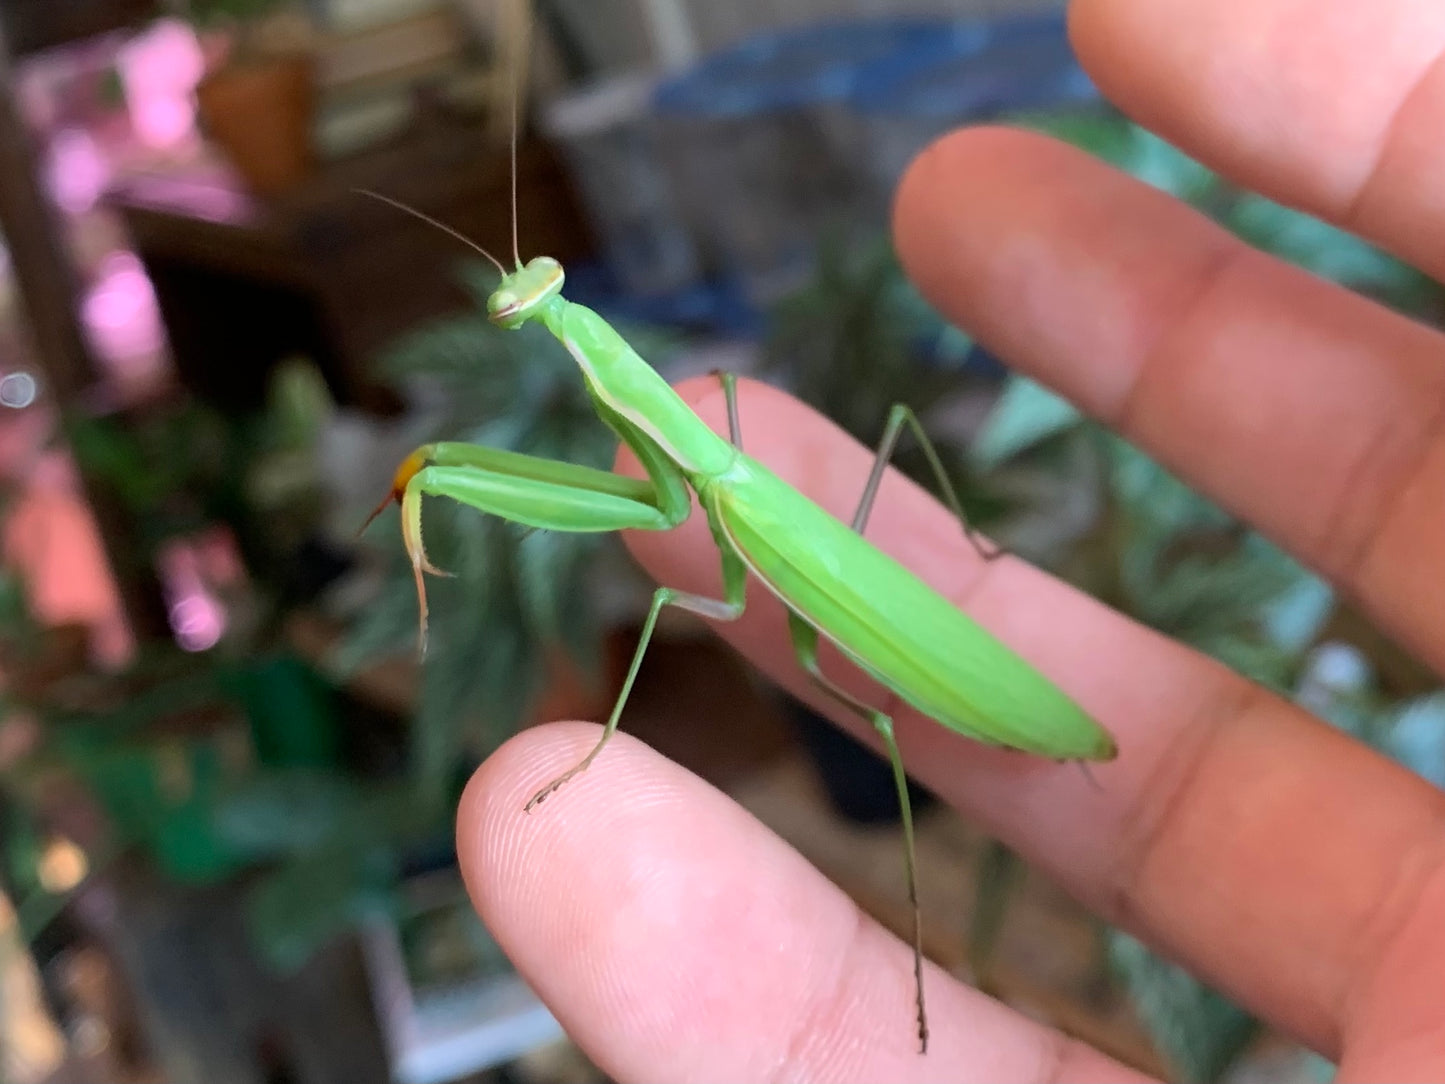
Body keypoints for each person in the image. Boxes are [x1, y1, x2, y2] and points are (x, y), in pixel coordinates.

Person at [456, 0, 1445, 1078]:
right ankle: (973, 586)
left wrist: (605, 742)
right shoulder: (701, 438)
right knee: (806, 500)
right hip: (801, 542)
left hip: (914, 640)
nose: (527, 298)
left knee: (825, 689)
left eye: (532, 293)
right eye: (528, 299)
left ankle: (918, 960)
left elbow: (666, 515)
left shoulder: (695, 472)